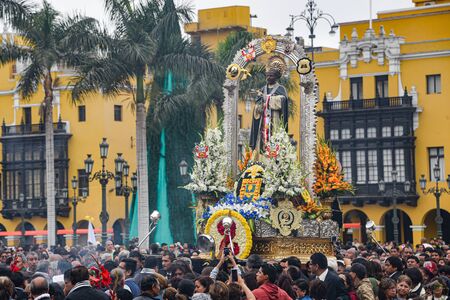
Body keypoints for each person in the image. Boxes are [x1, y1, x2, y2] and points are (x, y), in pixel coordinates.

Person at [249, 64, 289, 152]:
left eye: (271, 75)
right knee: (262, 141)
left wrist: (267, 98)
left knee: (274, 138)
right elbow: (258, 103)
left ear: (276, 77)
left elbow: (283, 101)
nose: (268, 77)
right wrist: (258, 107)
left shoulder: (281, 89)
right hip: (263, 121)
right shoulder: (263, 89)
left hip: (275, 119)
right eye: (267, 75)